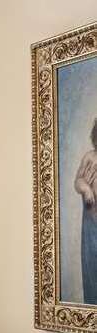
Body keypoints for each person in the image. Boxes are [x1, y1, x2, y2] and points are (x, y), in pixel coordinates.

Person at [74, 119, 97, 304]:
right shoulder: (90, 156)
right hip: (92, 221)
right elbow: (78, 181)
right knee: (92, 266)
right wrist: (87, 189)